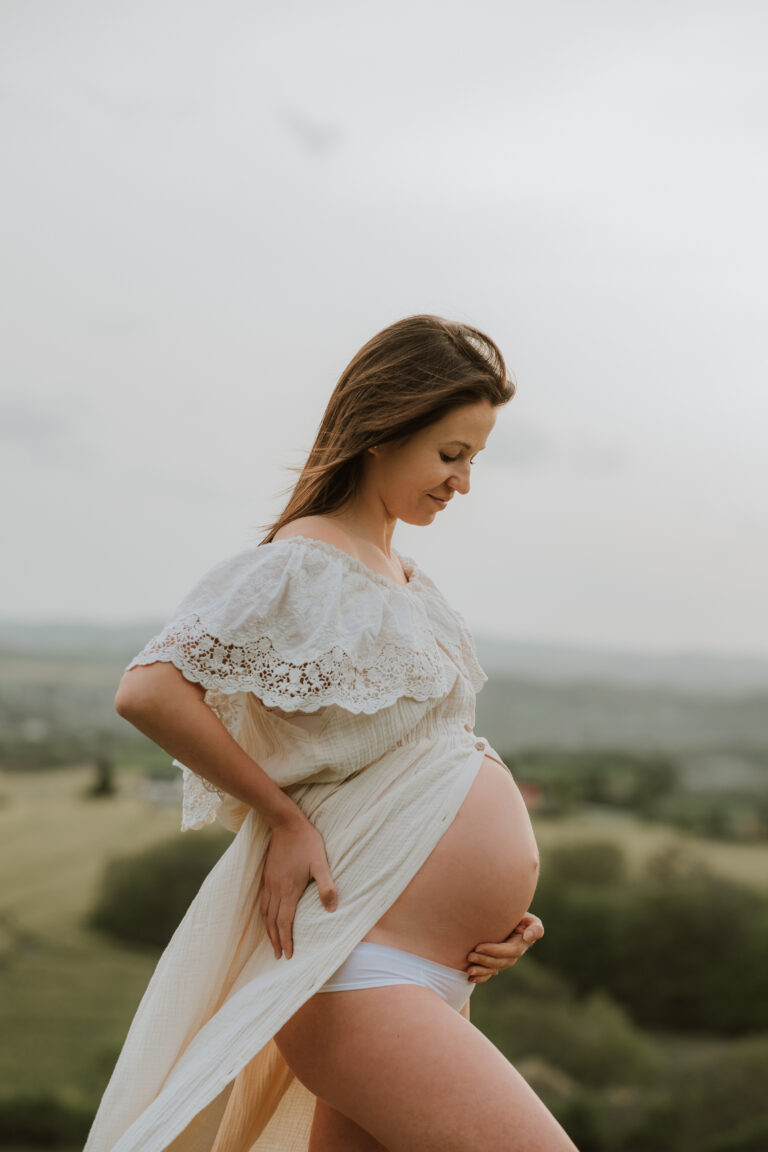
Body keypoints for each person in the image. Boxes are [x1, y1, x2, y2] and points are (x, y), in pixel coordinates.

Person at [84, 314, 578, 1151]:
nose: (463, 483)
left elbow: (416, 766)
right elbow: (150, 692)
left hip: (423, 970)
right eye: (450, 455)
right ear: (382, 432)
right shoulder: (301, 565)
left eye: (474, 459)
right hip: (356, 971)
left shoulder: (409, 578)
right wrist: (281, 816)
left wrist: (497, 919)